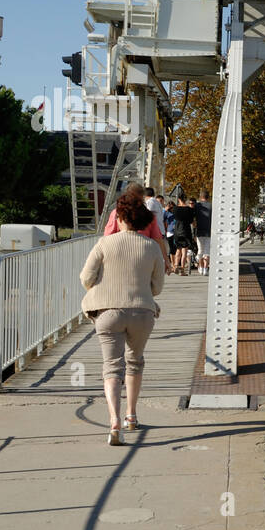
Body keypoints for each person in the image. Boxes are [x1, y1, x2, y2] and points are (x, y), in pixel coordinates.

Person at [80, 190, 165, 446]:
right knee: (135, 361)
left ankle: (114, 421)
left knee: (112, 367)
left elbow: (86, 278)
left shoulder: (105, 244)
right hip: (141, 312)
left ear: (119, 219)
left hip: (107, 313)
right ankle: (131, 415)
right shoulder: (151, 247)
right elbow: (158, 287)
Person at [104, 184, 171, 271]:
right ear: (142, 197)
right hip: (143, 256)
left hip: (121, 255)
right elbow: (157, 239)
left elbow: (108, 236)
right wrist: (166, 260)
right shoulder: (149, 215)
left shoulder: (117, 213)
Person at [172, 197, 196, 274]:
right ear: (186, 200)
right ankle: (182, 269)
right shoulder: (189, 210)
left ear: (179, 199)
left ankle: (175, 265)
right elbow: (192, 222)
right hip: (185, 231)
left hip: (177, 231)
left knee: (178, 250)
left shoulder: (175, 209)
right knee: (184, 251)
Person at [194, 190, 211, 276]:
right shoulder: (211, 206)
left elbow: (194, 219)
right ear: (208, 197)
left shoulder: (197, 205)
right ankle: (205, 269)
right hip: (209, 232)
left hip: (199, 231)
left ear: (200, 197)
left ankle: (200, 267)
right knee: (207, 251)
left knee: (200, 250)